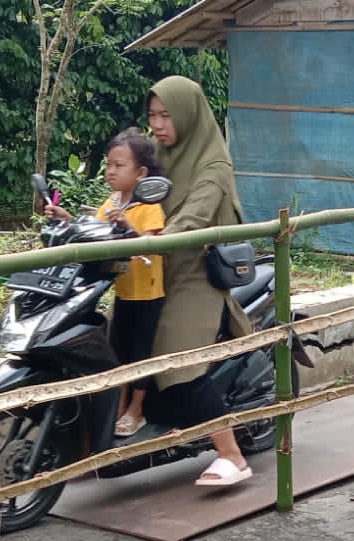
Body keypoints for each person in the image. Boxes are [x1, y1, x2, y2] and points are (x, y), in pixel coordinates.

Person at [142, 75, 257, 487]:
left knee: (176, 361)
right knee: (117, 339)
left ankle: (233, 455)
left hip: (195, 274)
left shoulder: (214, 166)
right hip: (150, 268)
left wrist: (153, 241)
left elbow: (192, 218)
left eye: (166, 115)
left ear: (188, 116)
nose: (157, 124)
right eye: (153, 115)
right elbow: (124, 195)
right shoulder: (153, 155)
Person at [95, 130, 166, 438]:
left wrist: (128, 226)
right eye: (109, 164)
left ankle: (136, 410)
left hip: (148, 295)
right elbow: (92, 230)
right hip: (122, 292)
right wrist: (63, 218)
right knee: (117, 350)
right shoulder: (111, 203)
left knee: (141, 352)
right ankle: (119, 405)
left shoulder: (148, 205)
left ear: (141, 173)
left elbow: (152, 243)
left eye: (119, 165)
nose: (111, 171)